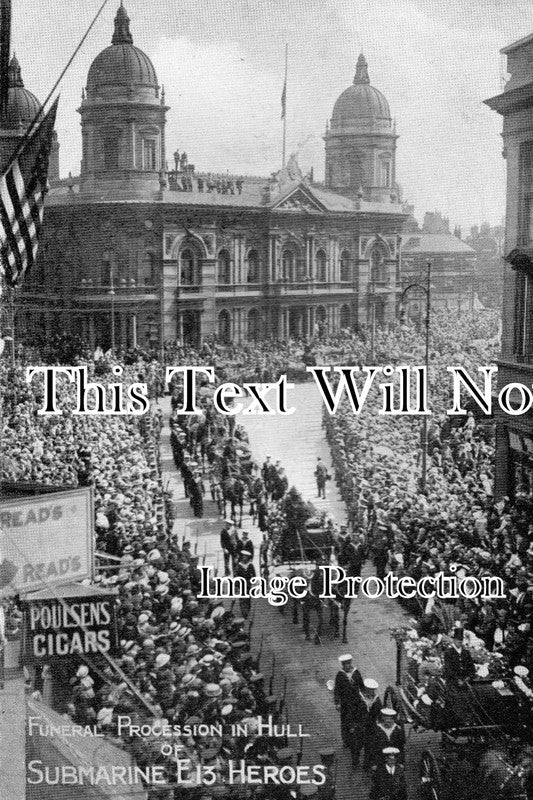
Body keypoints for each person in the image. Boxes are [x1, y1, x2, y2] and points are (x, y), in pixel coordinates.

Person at [351, 678, 382, 770]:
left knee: (369, 747)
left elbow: (379, 714)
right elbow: (353, 712)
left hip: (371, 727)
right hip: (359, 726)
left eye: (373, 690)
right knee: (357, 746)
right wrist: (353, 725)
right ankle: (355, 762)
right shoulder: (359, 699)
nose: (371, 692)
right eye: (369, 689)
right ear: (366, 689)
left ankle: (367, 765)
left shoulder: (377, 701)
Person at [333, 654, 364, 747]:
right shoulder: (340, 675)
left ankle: (358, 739)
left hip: (356, 701)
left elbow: (362, 686)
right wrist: (337, 703)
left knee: (357, 720)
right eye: (345, 664)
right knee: (346, 722)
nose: (347, 666)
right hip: (345, 703)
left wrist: (364, 697)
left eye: (349, 663)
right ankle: (346, 741)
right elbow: (337, 690)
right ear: (342, 665)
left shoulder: (356, 672)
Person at [234, 551, 255, 619]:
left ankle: (247, 610)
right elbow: (236, 576)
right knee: (242, 599)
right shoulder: (239, 566)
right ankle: (244, 612)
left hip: (248, 585)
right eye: (243, 557)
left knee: (248, 599)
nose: (244, 558)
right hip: (241, 585)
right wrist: (237, 585)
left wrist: (253, 582)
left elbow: (254, 575)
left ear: (248, 558)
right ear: (241, 557)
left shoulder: (250, 565)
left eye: (246, 557)